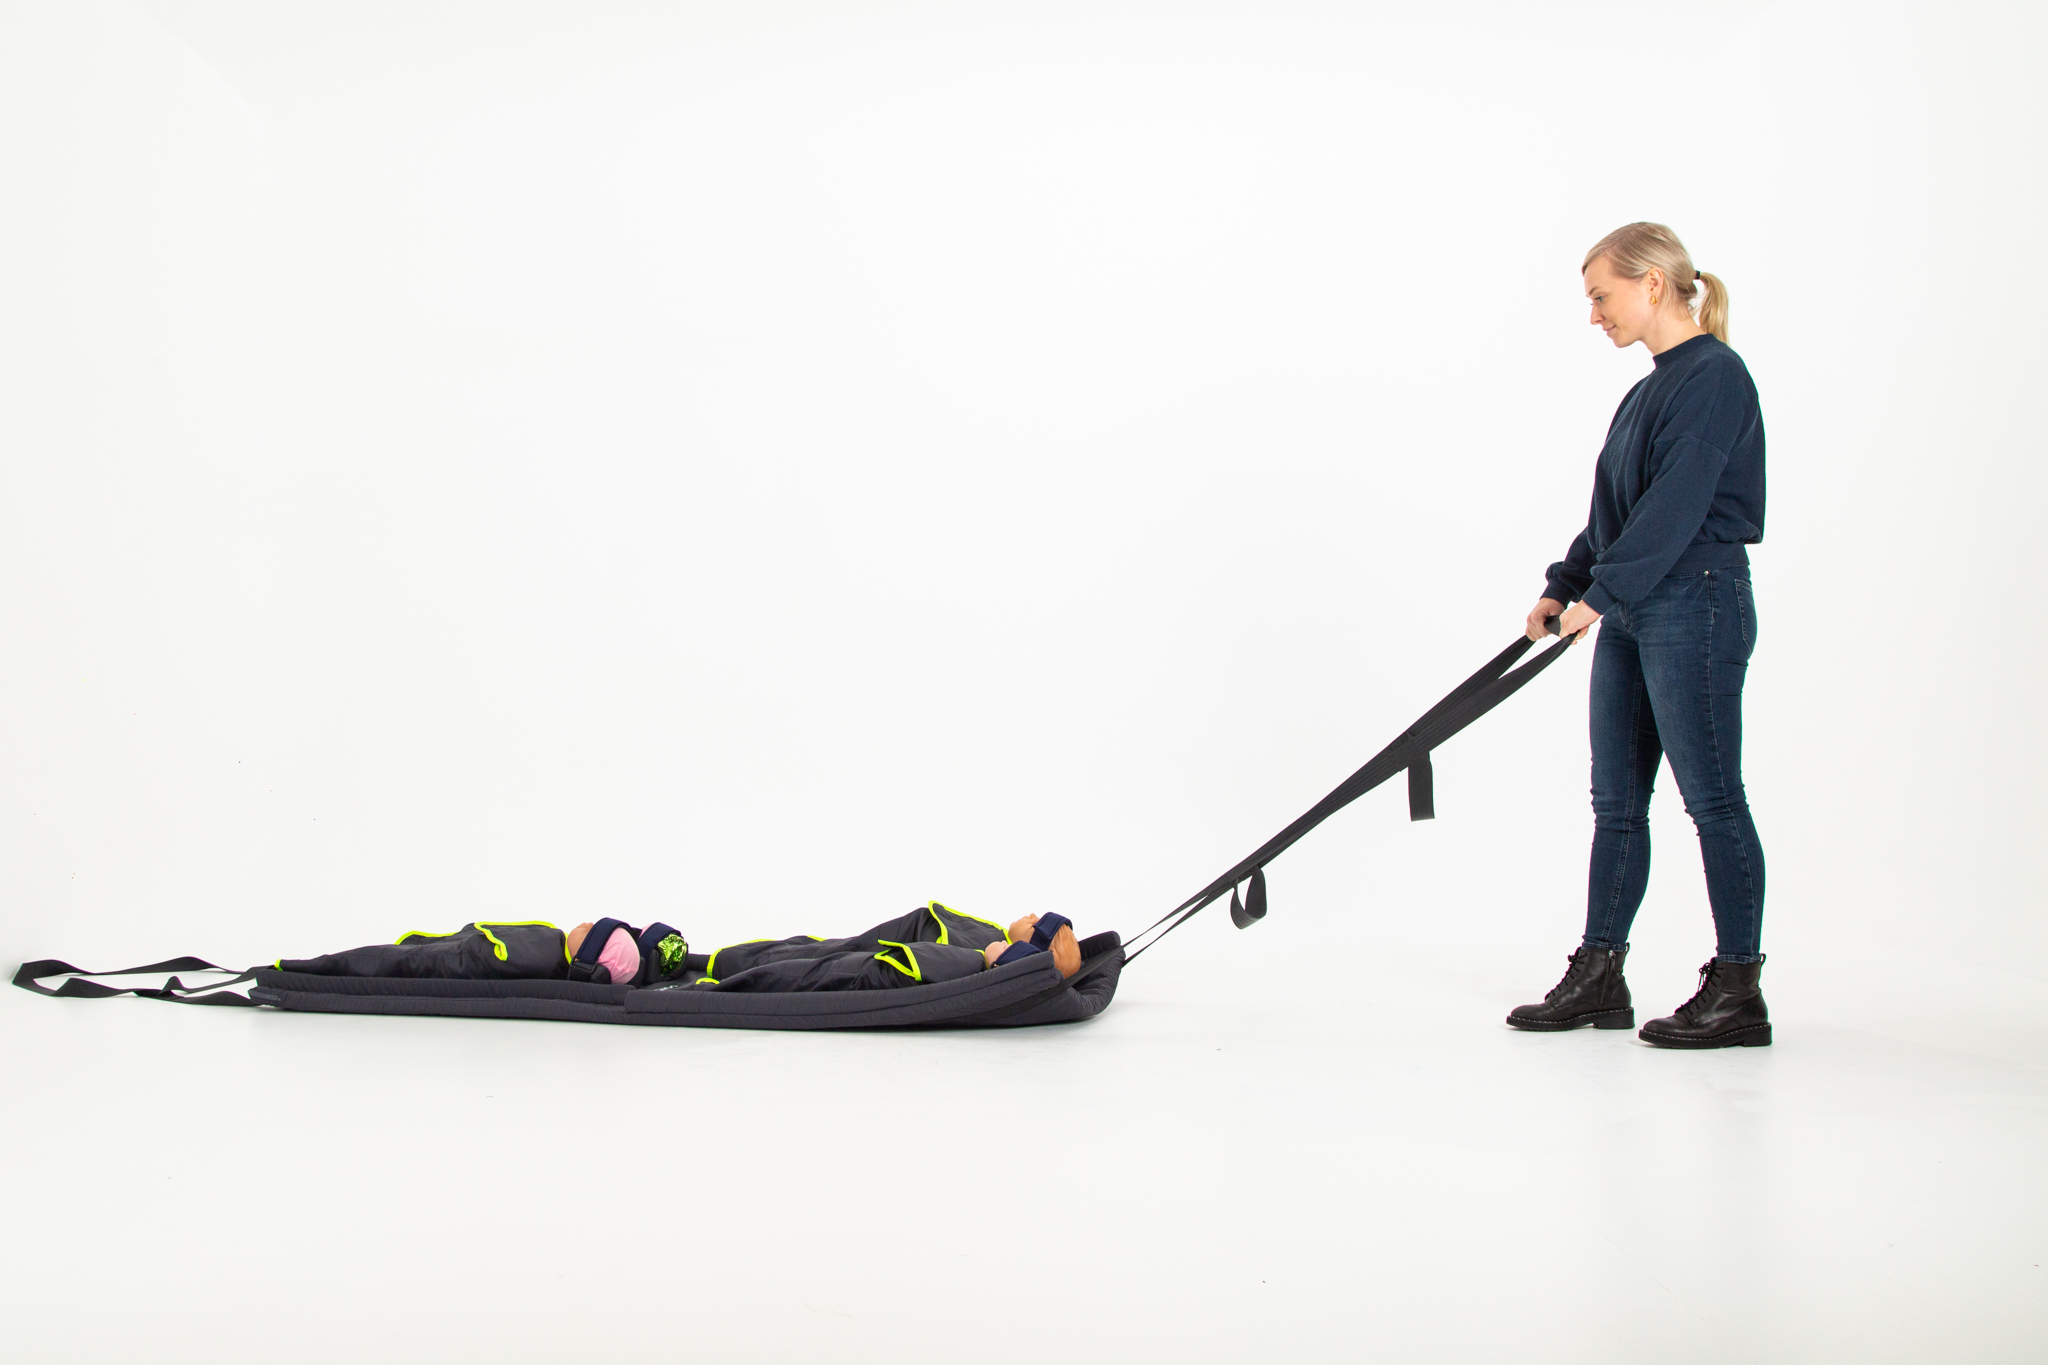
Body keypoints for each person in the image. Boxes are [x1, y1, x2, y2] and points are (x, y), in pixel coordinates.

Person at [1508, 222, 1770, 1049]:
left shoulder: (1716, 377)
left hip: (1696, 597)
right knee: (1617, 802)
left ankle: (1738, 989)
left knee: (1712, 797)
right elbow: (1616, 514)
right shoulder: (1646, 392)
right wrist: (1566, 584)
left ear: (1652, 283)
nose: (1594, 314)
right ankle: (1600, 975)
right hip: (1634, 605)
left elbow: (1678, 504)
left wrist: (1603, 592)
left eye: (1601, 295)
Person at [278, 901, 1085, 991]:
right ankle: (1002, 959)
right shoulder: (523, 954)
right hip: (613, 962)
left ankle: (1003, 952)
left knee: (780, 957)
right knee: (840, 967)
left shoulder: (597, 951)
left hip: (668, 962)